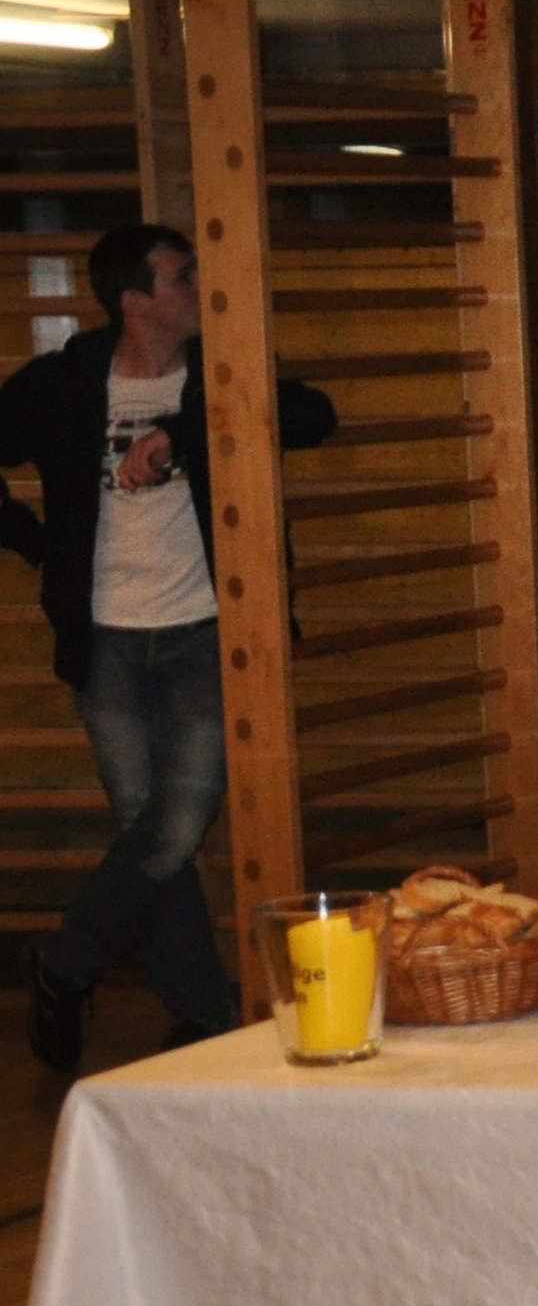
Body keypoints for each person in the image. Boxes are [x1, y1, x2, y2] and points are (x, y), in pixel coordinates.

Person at [0, 224, 339, 1066]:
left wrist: (183, 434)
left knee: (174, 825)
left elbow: (313, 415)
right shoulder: (65, 383)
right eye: (182, 276)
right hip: (105, 643)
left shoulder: (221, 372)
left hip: (206, 637)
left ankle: (64, 964)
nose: (198, 286)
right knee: (153, 834)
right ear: (136, 302)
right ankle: (202, 1014)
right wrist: (41, 547)